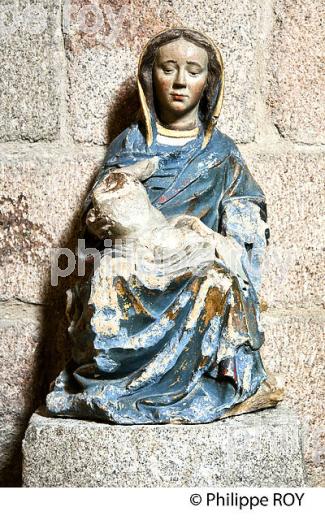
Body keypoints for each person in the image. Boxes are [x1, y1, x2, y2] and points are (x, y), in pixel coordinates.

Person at [47, 28, 274, 424]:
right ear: (150, 77)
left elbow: (244, 207)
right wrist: (107, 221)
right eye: (169, 69)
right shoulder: (129, 145)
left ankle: (212, 382)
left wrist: (237, 232)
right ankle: (111, 382)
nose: (181, 81)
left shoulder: (221, 153)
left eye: (193, 71)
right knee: (109, 275)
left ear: (210, 83)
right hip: (135, 259)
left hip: (193, 256)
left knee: (216, 281)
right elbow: (95, 216)